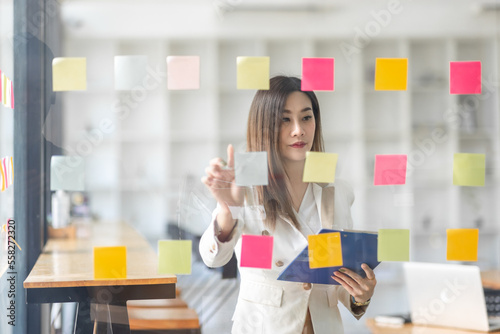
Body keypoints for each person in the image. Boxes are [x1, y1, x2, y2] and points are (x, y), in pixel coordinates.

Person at [199, 75, 376, 334]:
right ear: (264, 126)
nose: (298, 130)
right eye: (285, 119)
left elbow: (336, 279)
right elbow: (213, 258)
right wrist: (228, 210)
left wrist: (362, 294)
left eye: (306, 117)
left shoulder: (337, 190)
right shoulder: (245, 186)